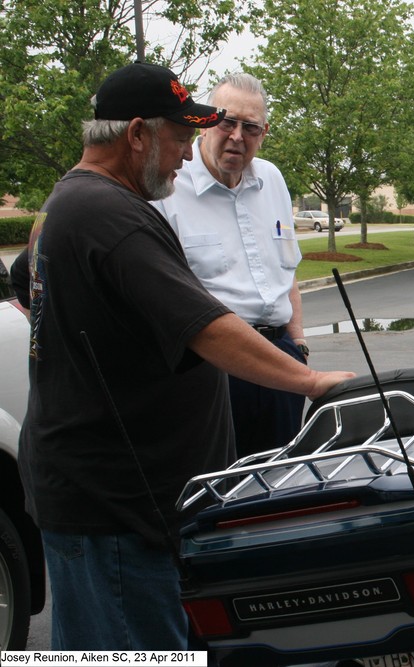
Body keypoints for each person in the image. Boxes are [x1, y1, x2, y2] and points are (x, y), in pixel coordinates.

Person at [10, 61, 355, 651]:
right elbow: (208, 327)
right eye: (176, 138)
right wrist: (313, 380)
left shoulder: (74, 201)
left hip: (110, 496)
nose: (181, 155)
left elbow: (29, 283)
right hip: (115, 507)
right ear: (138, 134)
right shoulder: (110, 216)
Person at [155, 72, 307, 458]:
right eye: (227, 122)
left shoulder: (271, 179)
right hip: (213, 369)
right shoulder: (169, 187)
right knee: (221, 487)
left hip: (280, 359)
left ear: (264, 132)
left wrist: (299, 341)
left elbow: (286, 269)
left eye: (250, 126)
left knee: (283, 483)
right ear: (206, 123)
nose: (238, 136)